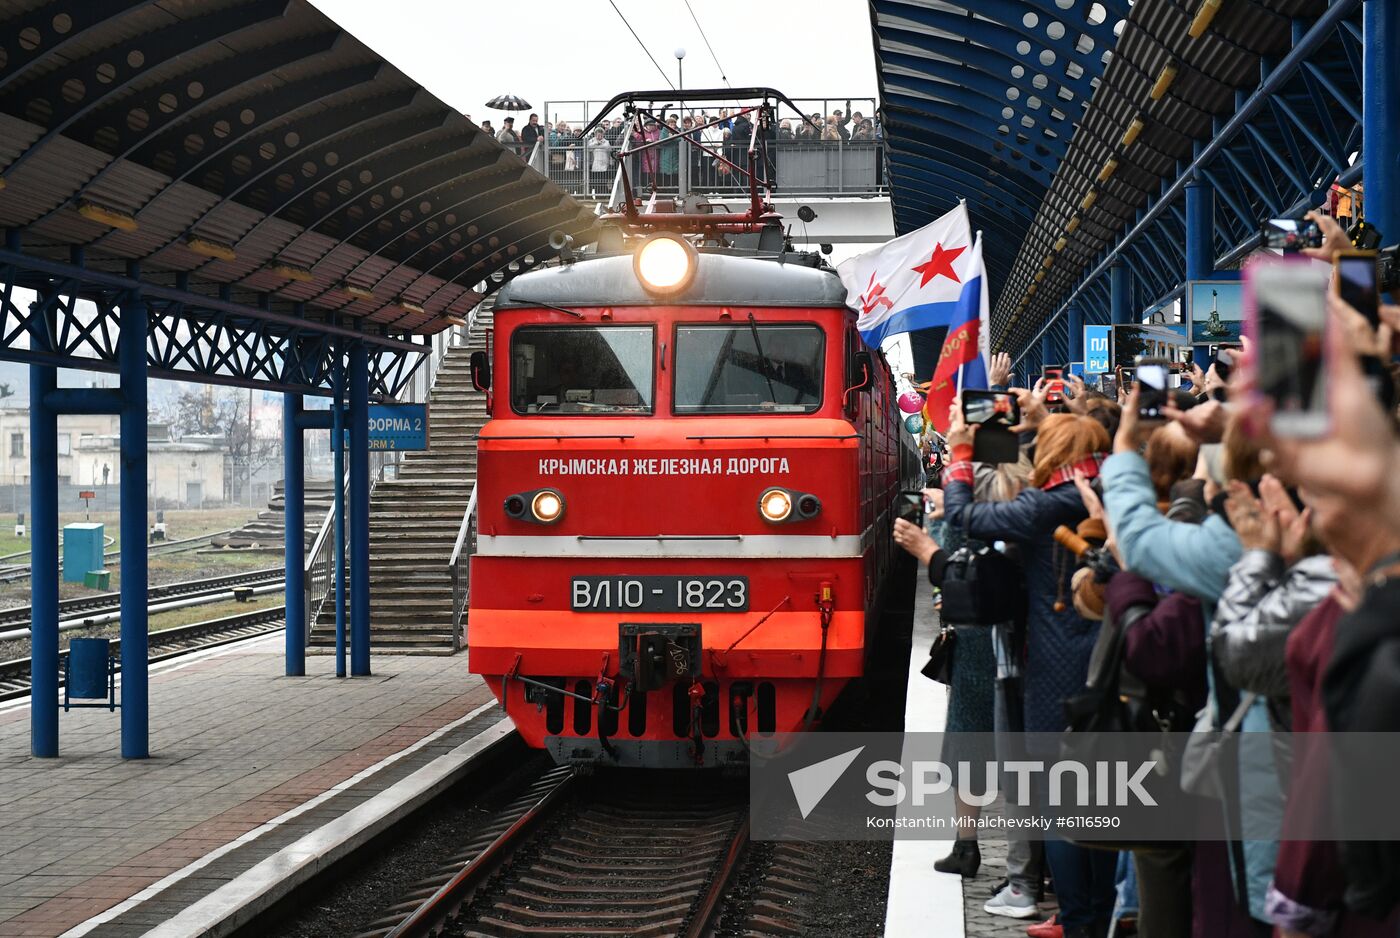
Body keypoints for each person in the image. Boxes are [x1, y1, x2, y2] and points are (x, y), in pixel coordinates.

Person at [942, 406, 1118, 938]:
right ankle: (1099, 914)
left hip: (1059, 667)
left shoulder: (1048, 505)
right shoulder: (1121, 487)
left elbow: (965, 517)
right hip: (1115, 662)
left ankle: (1079, 918)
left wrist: (961, 454)